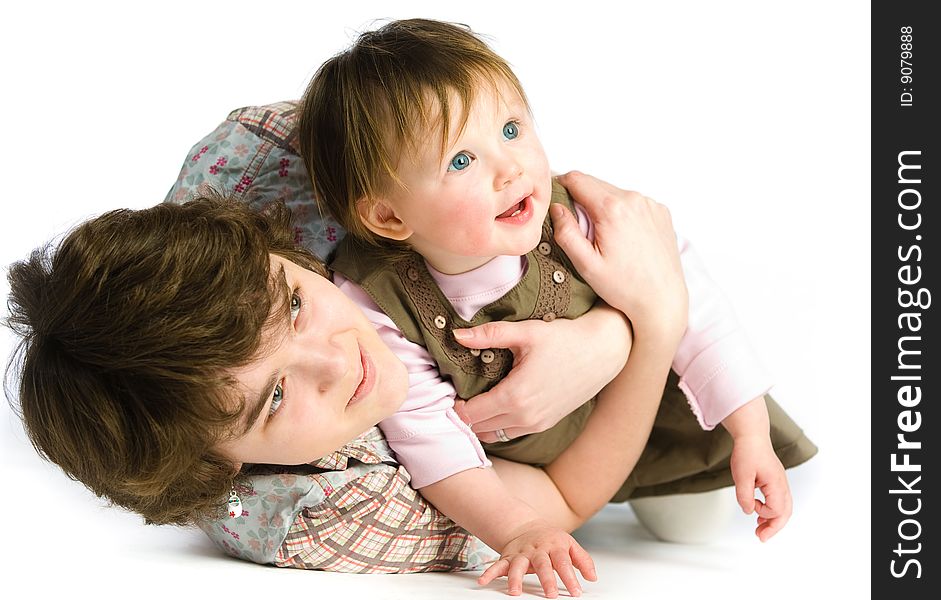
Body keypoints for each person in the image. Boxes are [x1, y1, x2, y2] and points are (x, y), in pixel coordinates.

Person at [6, 178, 688, 598]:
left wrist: (604, 336)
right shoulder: (331, 510)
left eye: (296, 305)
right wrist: (653, 325)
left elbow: (463, 138)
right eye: (274, 397)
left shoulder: (270, 181)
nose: (336, 362)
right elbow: (559, 503)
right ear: (220, 463)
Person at [297, 17, 813, 555]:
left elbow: (687, 300)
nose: (510, 168)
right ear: (388, 216)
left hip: (655, 410)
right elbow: (427, 438)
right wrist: (518, 530)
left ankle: (686, 471)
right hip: (541, 472)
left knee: (693, 526)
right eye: (462, 160)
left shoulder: (578, 218)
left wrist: (750, 432)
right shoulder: (375, 299)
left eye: (512, 130)